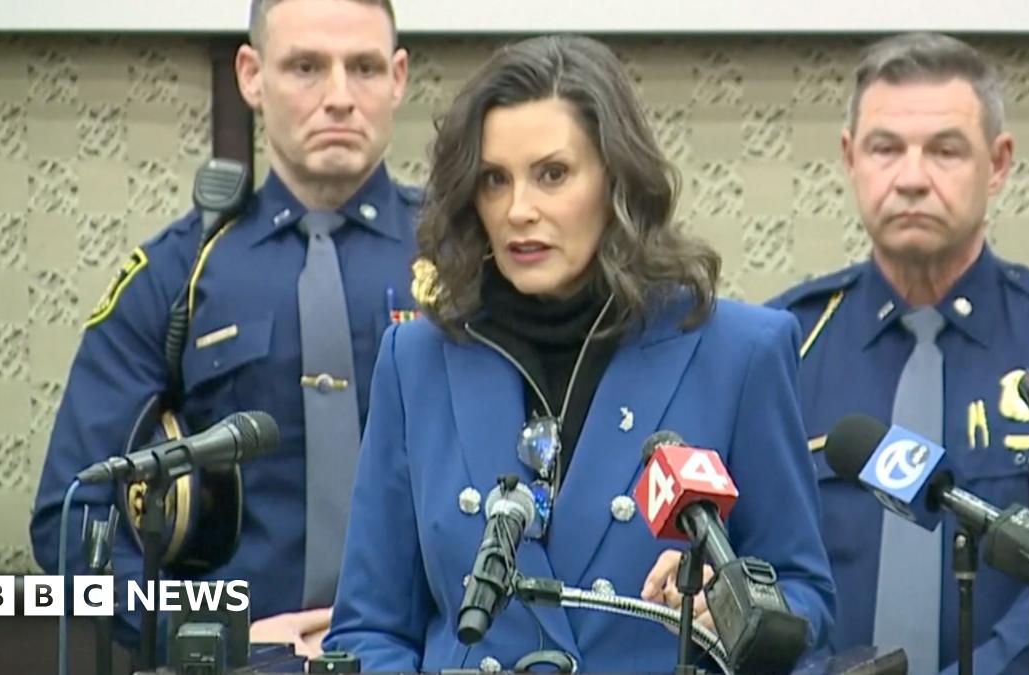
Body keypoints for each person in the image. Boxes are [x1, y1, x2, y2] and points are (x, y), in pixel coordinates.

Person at [321, 34, 835, 673]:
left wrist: (732, 600)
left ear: (616, 179)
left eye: (552, 175)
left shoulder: (738, 352)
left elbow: (805, 595)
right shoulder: (418, 359)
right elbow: (370, 630)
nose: (518, 210)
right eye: (493, 180)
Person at [29, 0, 419, 657]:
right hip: (239, 659)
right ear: (251, 75)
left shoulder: (470, 260)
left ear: (399, 78)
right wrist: (203, 628)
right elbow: (69, 517)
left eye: (364, 68)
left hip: (428, 654)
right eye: (305, 67)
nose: (339, 97)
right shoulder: (177, 273)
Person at [769, 31, 1029, 674]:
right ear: (849, 158)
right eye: (886, 148)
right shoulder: (780, 346)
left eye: (945, 150)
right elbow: (741, 561)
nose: (912, 178)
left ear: (997, 164)